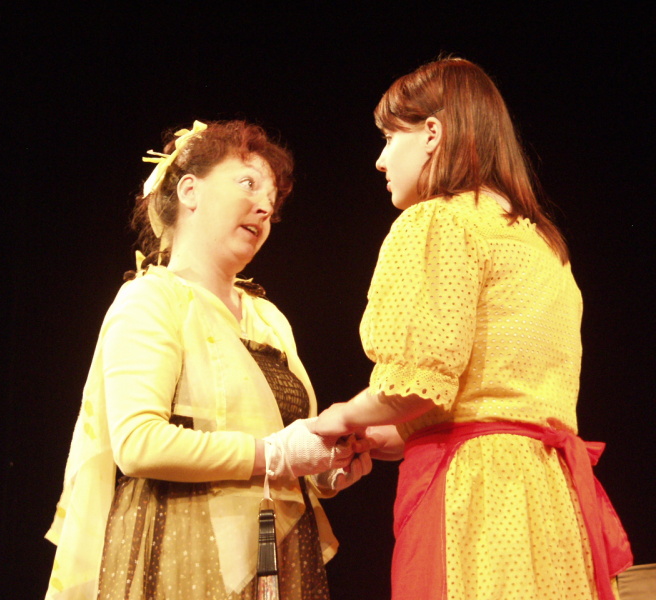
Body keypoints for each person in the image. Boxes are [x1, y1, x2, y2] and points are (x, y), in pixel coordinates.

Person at [311, 58, 633, 600]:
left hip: (479, 499)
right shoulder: (541, 242)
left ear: (431, 133)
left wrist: (343, 415)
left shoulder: (439, 220)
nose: (381, 159)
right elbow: (498, 395)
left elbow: (416, 384)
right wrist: (394, 433)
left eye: (390, 137)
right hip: (550, 497)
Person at [44, 120, 371, 600]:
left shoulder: (268, 318)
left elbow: (288, 437)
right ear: (190, 191)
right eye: (248, 184)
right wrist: (275, 456)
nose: (265, 207)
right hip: (180, 544)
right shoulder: (152, 300)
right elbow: (138, 443)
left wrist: (325, 465)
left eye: (272, 199)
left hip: (274, 555)